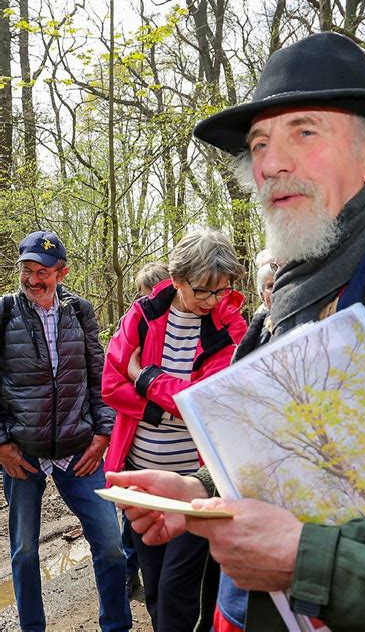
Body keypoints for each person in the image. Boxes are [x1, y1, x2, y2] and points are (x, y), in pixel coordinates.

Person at [107, 32, 365, 632]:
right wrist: (201, 493)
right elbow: (303, 465)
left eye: (304, 131)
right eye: (259, 142)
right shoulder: (295, 301)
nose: (269, 163)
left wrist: (309, 561)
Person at [102, 229, 247, 632]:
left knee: (178, 592)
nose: (212, 301)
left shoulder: (231, 328)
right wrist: (166, 406)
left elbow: (206, 404)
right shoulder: (143, 315)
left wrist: (145, 377)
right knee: (154, 590)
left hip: (196, 482)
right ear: (178, 279)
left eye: (221, 292)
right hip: (141, 480)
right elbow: (111, 385)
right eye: (203, 291)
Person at [0, 230, 131, 632]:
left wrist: (102, 434)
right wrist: (1, 443)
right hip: (23, 452)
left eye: (42, 271)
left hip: (80, 449)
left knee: (110, 545)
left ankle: (116, 626)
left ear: (62, 272)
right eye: (26, 270)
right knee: (24, 553)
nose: (33, 280)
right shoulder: (4, 312)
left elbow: (100, 378)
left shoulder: (81, 312)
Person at [122, 260, 171, 598]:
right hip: (136, 456)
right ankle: (131, 575)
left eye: (147, 297)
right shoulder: (134, 327)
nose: (143, 305)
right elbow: (114, 385)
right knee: (133, 528)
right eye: (140, 299)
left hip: (180, 470)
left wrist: (145, 382)